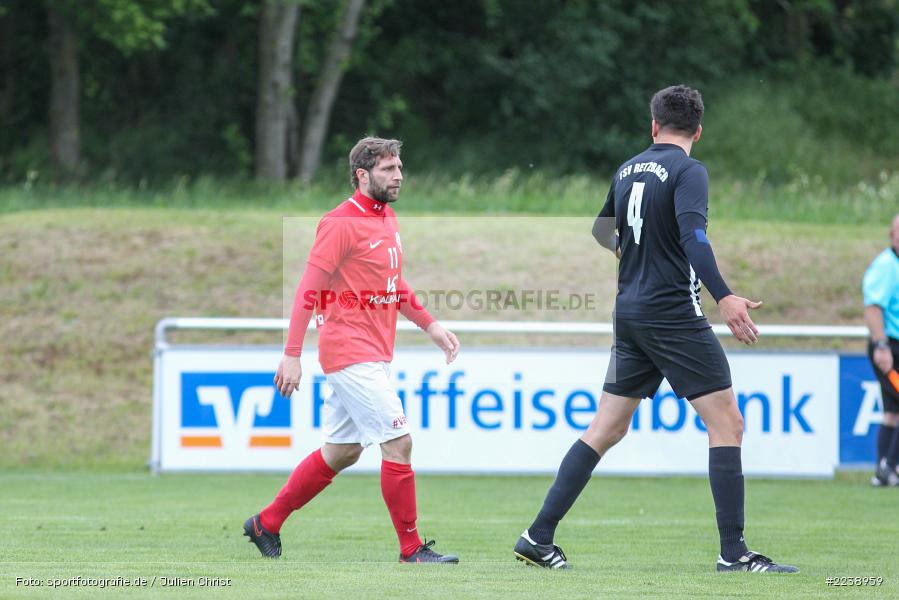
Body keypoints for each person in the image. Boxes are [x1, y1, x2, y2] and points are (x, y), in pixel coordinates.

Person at [512, 85, 798, 573]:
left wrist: (636, 257)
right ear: (699, 131)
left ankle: (537, 536)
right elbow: (695, 236)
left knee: (606, 427)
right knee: (727, 423)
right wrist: (724, 296)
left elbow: (603, 230)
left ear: (653, 126)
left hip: (630, 313)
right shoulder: (690, 170)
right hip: (672, 314)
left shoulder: (628, 168)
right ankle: (734, 554)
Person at [243, 136, 461, 563]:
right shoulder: (340, 222)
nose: (398, 175)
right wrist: (292, 353)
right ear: (362, 175)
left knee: (342, 451)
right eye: (388, 169)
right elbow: (309, 288)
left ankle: (265, 523)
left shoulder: (387, 219)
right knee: (398, 441)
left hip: (370, 352)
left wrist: (430, 325)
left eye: (399, 167)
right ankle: (411, 549)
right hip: (349, 351)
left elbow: (393, 286)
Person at [864, 213, 899, 487]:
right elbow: (873, 307)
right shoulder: (886, 266)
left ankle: (883, 471)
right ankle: (890, 466)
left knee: (892, 412)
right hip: (890, 349)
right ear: (892, 236)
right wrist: (881, 346)